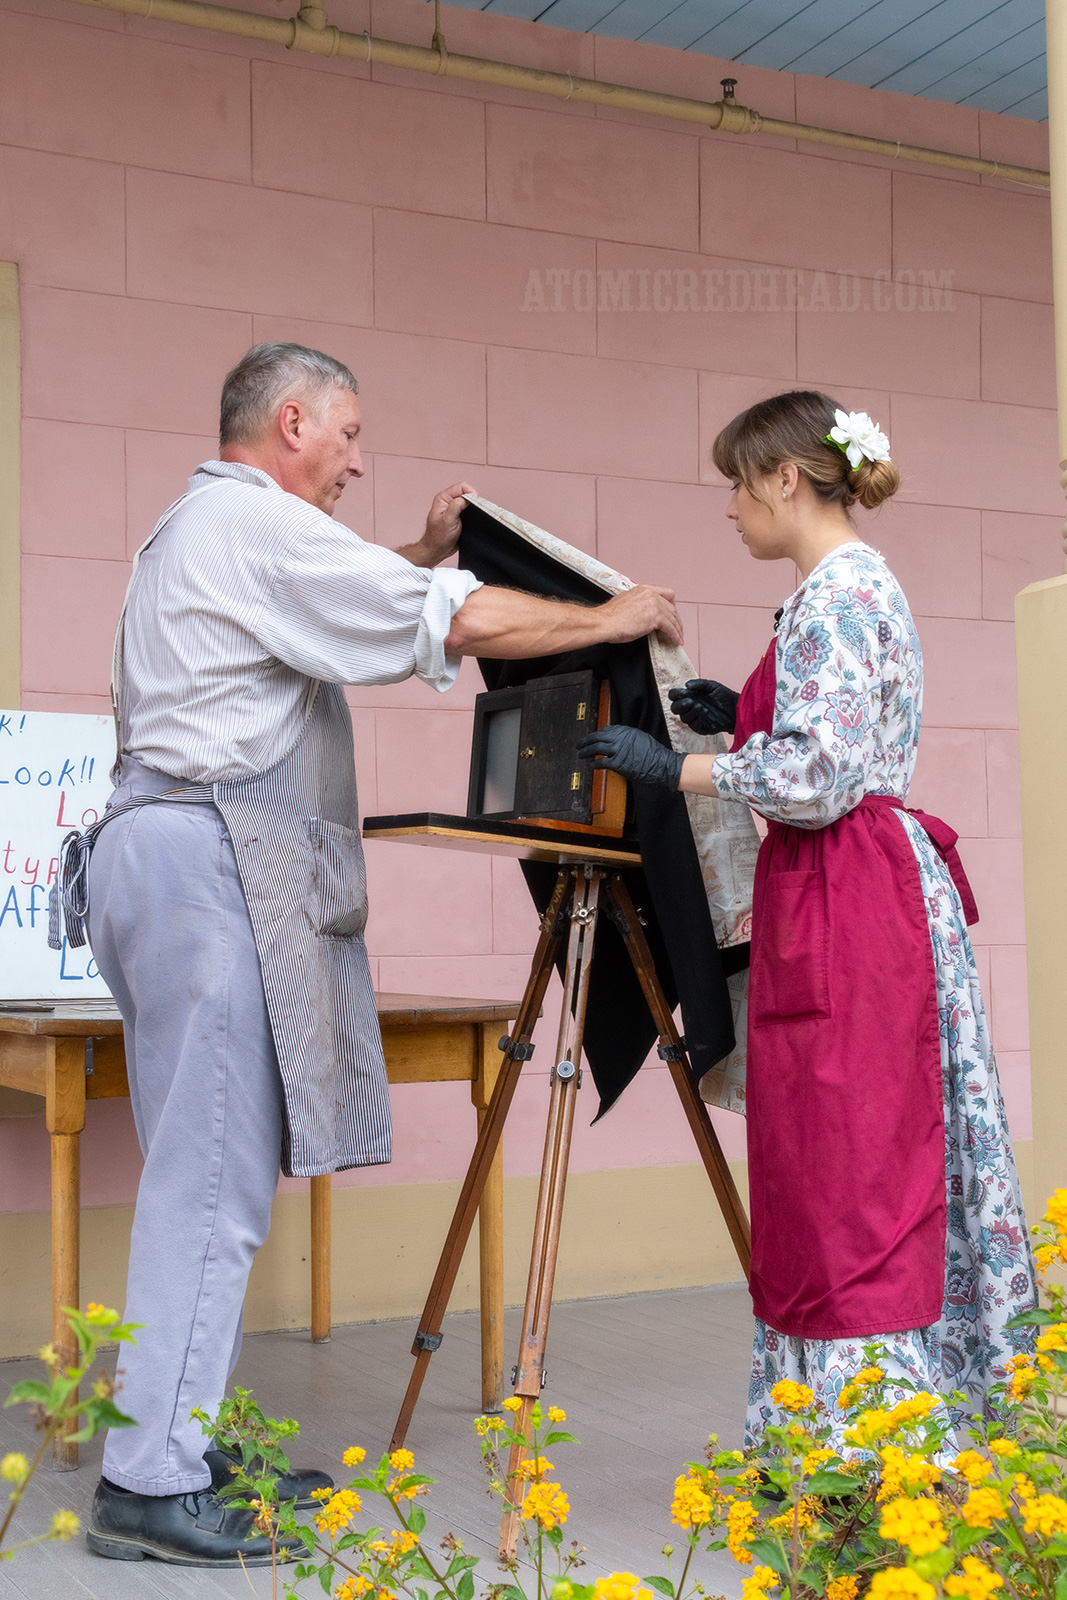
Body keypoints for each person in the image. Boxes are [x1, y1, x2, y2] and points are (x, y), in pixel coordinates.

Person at [71, 342, 682, 1566]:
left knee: (203, 1170)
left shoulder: (204, 528)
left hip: (158, 854)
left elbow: (342, 600)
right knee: (213, 1181)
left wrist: (408, 552)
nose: (357, 457)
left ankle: (174, 1444)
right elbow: (449, 621)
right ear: (289, 421)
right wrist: (614, 615)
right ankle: (148, 1483)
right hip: (206, 859)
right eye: (346, 433)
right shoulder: (252, 522)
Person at [580, 389, 1036, 1446]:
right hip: (853, 886)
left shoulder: (835, 596)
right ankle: (863, 1424)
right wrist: (736, 713)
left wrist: (681, 765)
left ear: (785, 478)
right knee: (843, 1154)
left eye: (736, 487)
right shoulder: (844, 588)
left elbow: (822, 769)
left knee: (848, 1162)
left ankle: (865, 1441)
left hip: (850, 894)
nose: (729, 510)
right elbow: (825, 734)